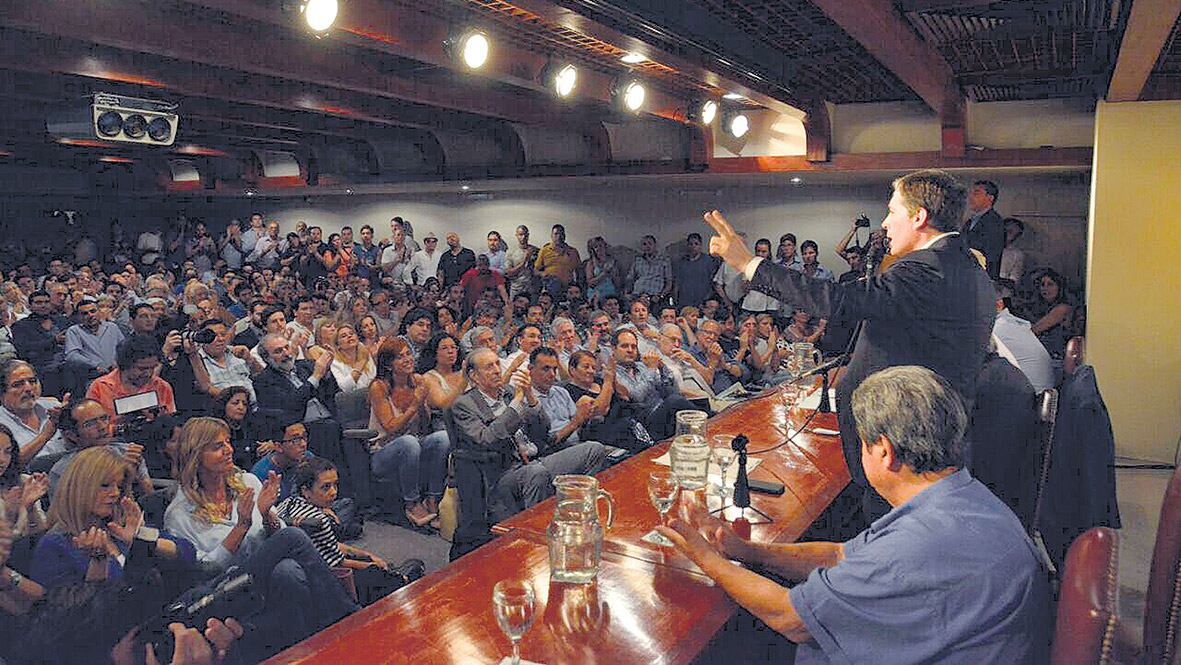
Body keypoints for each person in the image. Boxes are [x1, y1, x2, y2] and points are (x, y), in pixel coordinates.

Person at [658, 366, 1049, 664]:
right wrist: (745, 550)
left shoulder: (916, 545)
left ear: (883, 451)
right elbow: (841, 556)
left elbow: (789, 616)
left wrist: (704, 557)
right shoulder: (959, 497)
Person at [704, 168, 995, 529]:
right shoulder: (962, 266)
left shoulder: (929, 268)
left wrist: (748, 264)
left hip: (906, 452)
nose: (885, 224)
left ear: (918, 216)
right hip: (917, 447)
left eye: (892, 211)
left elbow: (839, 300)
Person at [163, 417, 358, 661]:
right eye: (217, 446)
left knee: (288, 570)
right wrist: (242, 526)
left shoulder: (247, 482)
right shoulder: (179, 513)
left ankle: (311, 651)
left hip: (268, 575)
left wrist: (266, 516)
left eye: (228, 442)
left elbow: (281, 536)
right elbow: (205, 570)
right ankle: (348, 618)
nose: (229, 450)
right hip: (229, 588)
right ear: (195, 456)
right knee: (294, 538)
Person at [450, 348, 607, 528]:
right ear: (474, 375)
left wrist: (530, 397)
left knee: (594, 449)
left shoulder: (507, 392)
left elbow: (543, 430)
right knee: (535, 473)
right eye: (488, 367)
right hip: (504, 472)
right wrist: (516, 403)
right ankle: (535, 532)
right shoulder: (464, 405)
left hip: (535, 458)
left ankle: (578, 515)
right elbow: (486, 439)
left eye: (496, 364)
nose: (496, 370)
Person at [32, 446, 196, 592]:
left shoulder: (118, 525)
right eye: (105, 486)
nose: (115, 493)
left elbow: (188, 553)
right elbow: (71, 612)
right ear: (79, 488)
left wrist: (142, 539)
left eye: (119, 486)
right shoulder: (54, 545)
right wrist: (98, 563)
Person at [277, 457, 424, 606]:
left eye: (335, 485)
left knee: (362, 553)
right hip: (321, 582)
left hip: (298, 570)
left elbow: (331, 545)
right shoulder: (319, 520)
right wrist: (374, 564)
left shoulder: (287, 503)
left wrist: (368, 555)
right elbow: (337, 564)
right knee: (373, 574)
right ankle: (403, 580)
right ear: (306, 490)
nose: (333, 492)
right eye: (325, 487)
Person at [367, 338, 448, 527]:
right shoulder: (378, 387)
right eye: (400, 357)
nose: (407, 360)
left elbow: (426, 424)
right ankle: (411, 503)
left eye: (408, 354)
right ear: (388, 365)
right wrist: (414, 404)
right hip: (383, 450)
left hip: (414, 443)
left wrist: (422, 404)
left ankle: (433, 498)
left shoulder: (417, 380)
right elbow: (391, 428)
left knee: (442, 438)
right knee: (408, 442)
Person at [48, 398, 153, 498]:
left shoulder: (128, 452)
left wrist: (139, 477)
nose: (102, 427)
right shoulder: (63, 471)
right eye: (90, 424)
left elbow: (150, 501)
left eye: (104, 418)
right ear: (71, 435)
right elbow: (70, 514)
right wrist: (124, 479)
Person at [613, 329, 697, 440]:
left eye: (633, 347)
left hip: (665, 413)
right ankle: (710, 421)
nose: (630, 350)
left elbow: (668, 389)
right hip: (644, 422)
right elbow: (638, 396)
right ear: (613, 349)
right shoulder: (613, 374)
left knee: (691, 400)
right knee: (674, 401)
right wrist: (653, 369)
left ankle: (710, 420)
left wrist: (662, 368)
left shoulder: (642, 366)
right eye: (624, 346)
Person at [86, 335, 178, 431]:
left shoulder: (162, 386)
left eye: (153, 367)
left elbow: (171, 426)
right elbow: (90, 430)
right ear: (125, 365)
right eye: (142, 369)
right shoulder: (99, 387)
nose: (148, 373)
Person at [0, 360, 67, 464]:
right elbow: (8, 466)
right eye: (18, 384)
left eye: (32, 381)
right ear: (2, 393)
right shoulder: (2, 424)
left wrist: (72, 425)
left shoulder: (53, 406)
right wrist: (45, 435)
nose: (28, 388)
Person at [992, 286, 1055, 392]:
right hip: (1036, 398)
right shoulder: (1009, 324)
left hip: (1028, 402)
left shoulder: (999, 329)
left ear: (999, 305)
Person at [0, 424, 49, 538]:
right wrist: (11, 514)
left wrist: (30, 507)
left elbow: (39, 536)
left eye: (7, 452)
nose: (2, 459)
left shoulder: (23, 482)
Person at [251, 421, 314, 501]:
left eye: (304, 436)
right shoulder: (261, 474)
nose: (303, 444)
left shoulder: (308, 458)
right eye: (295, 439)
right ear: (278, 446)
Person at [212, 385, 268, 469]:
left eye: (244, 404)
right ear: (224, 405)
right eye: (235, 403)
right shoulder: (215, 430)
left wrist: (269, 446)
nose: (241, 407)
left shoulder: (252, 426)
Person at [1025, 268, 1075, 360]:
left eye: (1050, 284)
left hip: (1058, 361)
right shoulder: (1043, 308)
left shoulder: (1063, 308)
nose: (1045, 288)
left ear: (1059, 287)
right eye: (1042, 285)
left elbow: (1034, 330)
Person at [964, 180, 1005, 280]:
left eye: (976, 193)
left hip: (981, 277)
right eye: (971, 193)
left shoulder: (994, 222)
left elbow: (991, 255)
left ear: (990, 198)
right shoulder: (969, 222)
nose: (971, 197)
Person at [673, 233, 720, 308]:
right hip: (684, 302)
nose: (693, 246)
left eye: (696, 244)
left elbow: (714, 283)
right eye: (690, 244)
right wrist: (675, 300)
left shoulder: (708, 261)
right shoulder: (681, 262)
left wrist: (707, 300)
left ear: (700, 245)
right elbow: (677, 283)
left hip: (703, 302)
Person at [533, 224, 581, 297]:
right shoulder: (545, 250)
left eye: (561, 234)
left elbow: (579, 271)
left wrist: (577, 287)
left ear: (564, 236)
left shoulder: (573, 251)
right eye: (556, 234)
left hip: (567, 288)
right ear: (551, 236)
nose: (558, 237)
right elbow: (535, 271)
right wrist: (542, 274)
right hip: (550, 287)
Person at [329, 324, 376, 393]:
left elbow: (374, 376)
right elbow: (344, 388)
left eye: (351, 333)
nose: (349, 336)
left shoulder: (364, 353)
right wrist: (360, 365)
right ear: (337, 344)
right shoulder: (335, 363)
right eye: (343, 336)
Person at [627, 234, 672, 301]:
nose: (648, 246)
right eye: (644, 244)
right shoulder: (638, 260)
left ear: (655, 245)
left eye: (650, 244)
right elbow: (630, 279)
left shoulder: (664, 260)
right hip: (637, 295)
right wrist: (627, 292)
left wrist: (660, 296)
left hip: (654, 296)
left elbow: (669, 283)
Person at [503, 225, 538, 299]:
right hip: (517, 288)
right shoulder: (511, 252)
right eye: (521, 235)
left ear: (528, 235)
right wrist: (524, 261)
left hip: (531, 289)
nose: (523, 237)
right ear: (516, 235)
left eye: (525, 234)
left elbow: (539, 270)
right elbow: (508, 273)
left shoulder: (535, 250)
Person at [583, 236, 618, 308]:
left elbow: (617, 282)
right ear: (593, 250)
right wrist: (604, 273)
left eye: (600, 246)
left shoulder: (612, 261)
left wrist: (613, 272)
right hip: (596, 291)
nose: (599, 248)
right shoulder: (591, 263)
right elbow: (590, 283)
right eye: (595, 247)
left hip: (610, 291)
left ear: (605, 247)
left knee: (611, 303)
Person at [999, 217, 1027, 295]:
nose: (1011, 237)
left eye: (1016, 234)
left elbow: (1014, 283)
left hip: (1001, 297)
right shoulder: (983, 249)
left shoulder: (1017, 255)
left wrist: (995, 279)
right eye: (1009, 231)